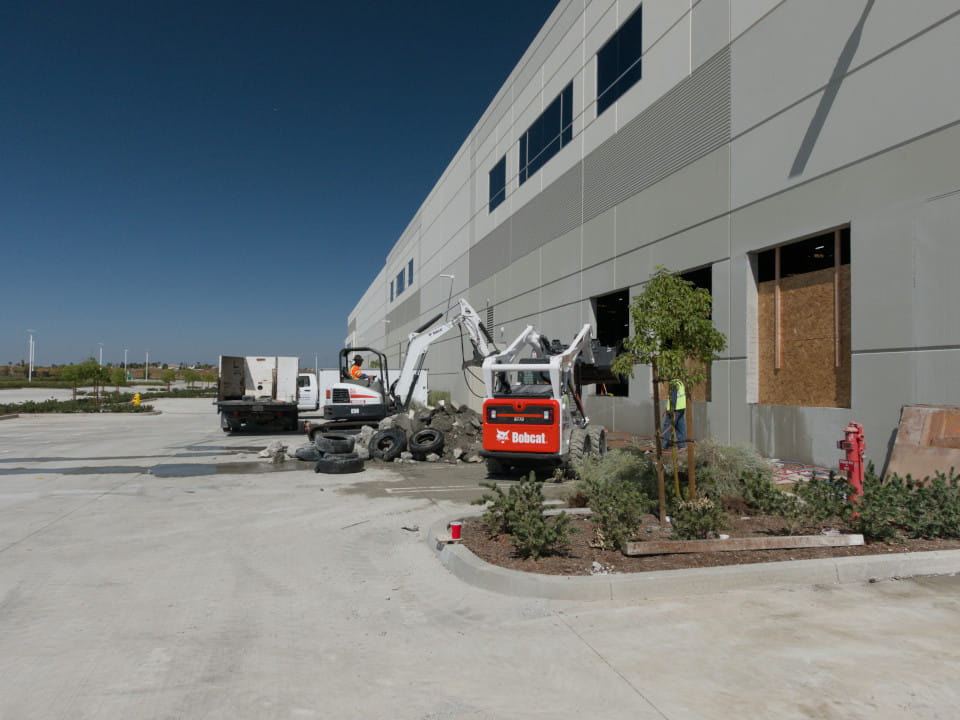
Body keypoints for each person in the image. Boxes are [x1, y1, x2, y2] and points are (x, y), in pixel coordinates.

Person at [660, 378, 687, 449]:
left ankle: (663, 444)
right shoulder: (680, 382)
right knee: (680, 426)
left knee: (667, 426)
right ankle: (682, 445)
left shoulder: (674, 383)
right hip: (681, 409)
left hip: (675, 410)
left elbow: (673, 398)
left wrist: (671, 410)